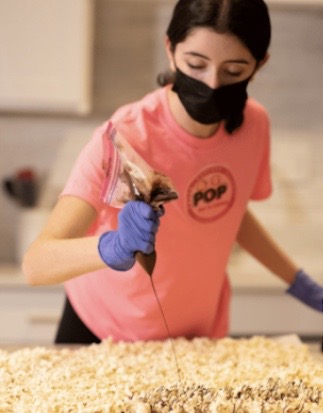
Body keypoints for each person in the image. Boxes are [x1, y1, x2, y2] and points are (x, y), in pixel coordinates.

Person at [22, 0, 323, 344]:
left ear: (259, 64)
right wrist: (112, 247)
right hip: (104, 336)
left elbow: (230, 212)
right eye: (196, 64)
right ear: (171, 50)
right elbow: (37, 263)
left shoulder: (253, 126)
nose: (211, 83)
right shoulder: (127, 138)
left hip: (195, 339)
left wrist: (297, 281)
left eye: (234, 71)